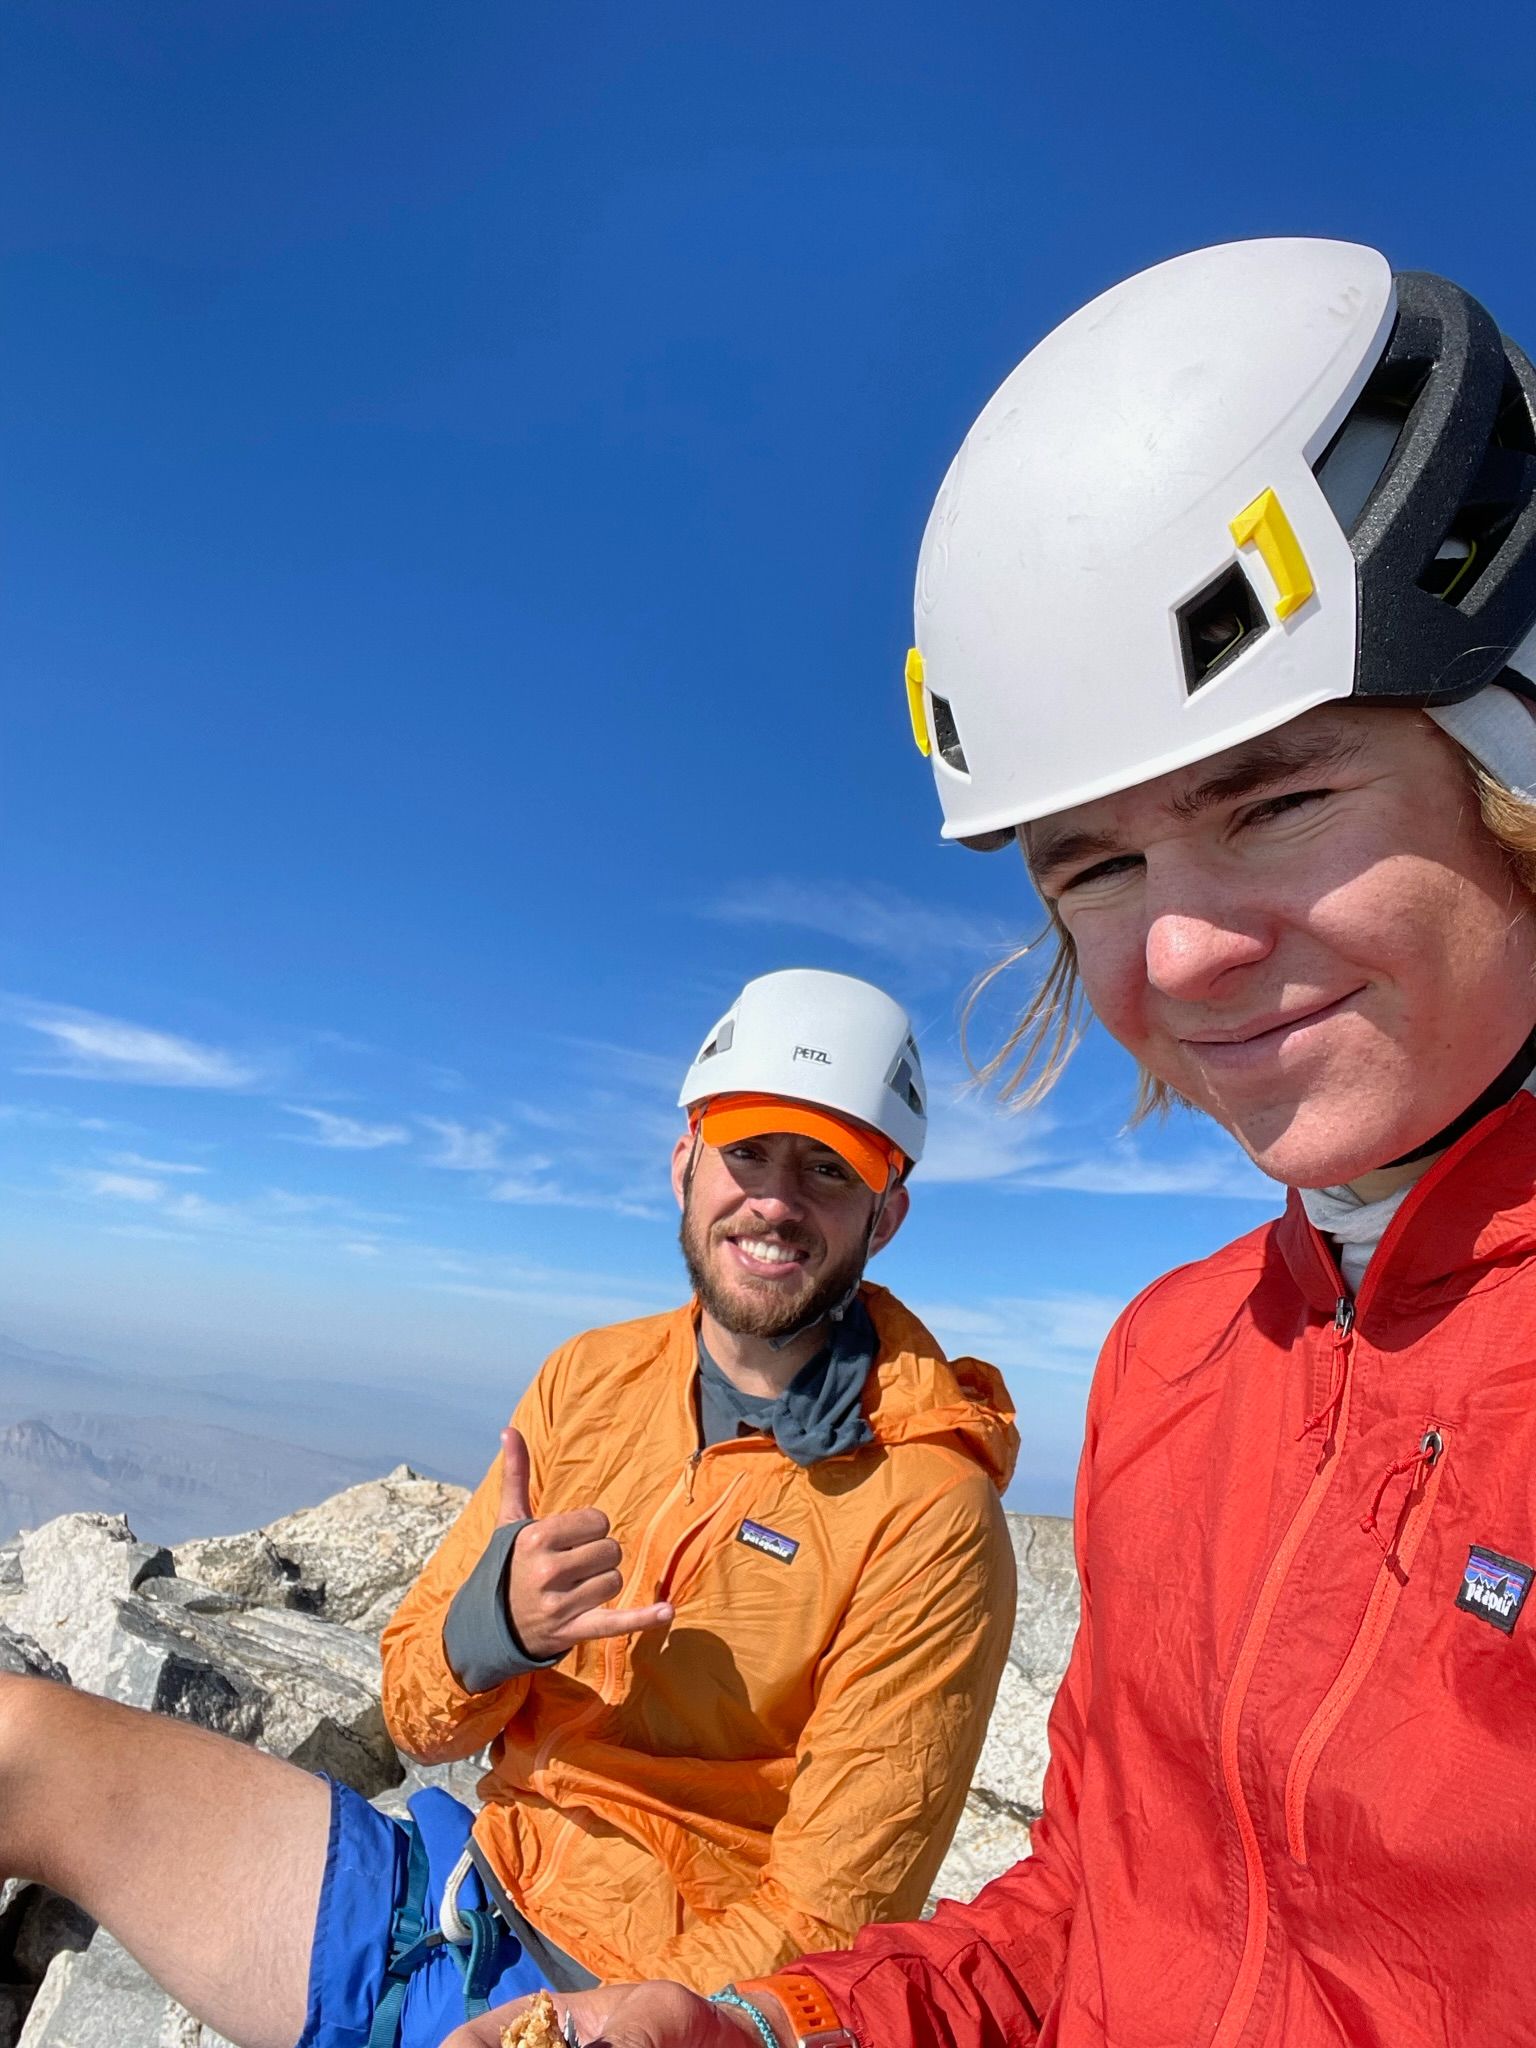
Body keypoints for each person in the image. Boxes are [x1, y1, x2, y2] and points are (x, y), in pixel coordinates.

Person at [464, 239, 1536, 2048]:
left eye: (1274, 800)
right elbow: (1100, 1924)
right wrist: (779, 2034)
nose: (1179, 946)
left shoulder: (943, 1488)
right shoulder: (1179, 1363)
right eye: (1094, 867)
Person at [0, 966, 1017, 2048]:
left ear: (887, 1214)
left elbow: (833, 1924)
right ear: (685, 1161)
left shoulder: (928, 1510)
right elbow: (412, 1712)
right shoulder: (590, 1379)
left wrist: (595, 2021)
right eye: (748, 1151)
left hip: (640, 2005)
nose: (775, 1199)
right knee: (18, 1734)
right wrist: (492, 1634)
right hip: (447, 1893)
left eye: (828, 1169)